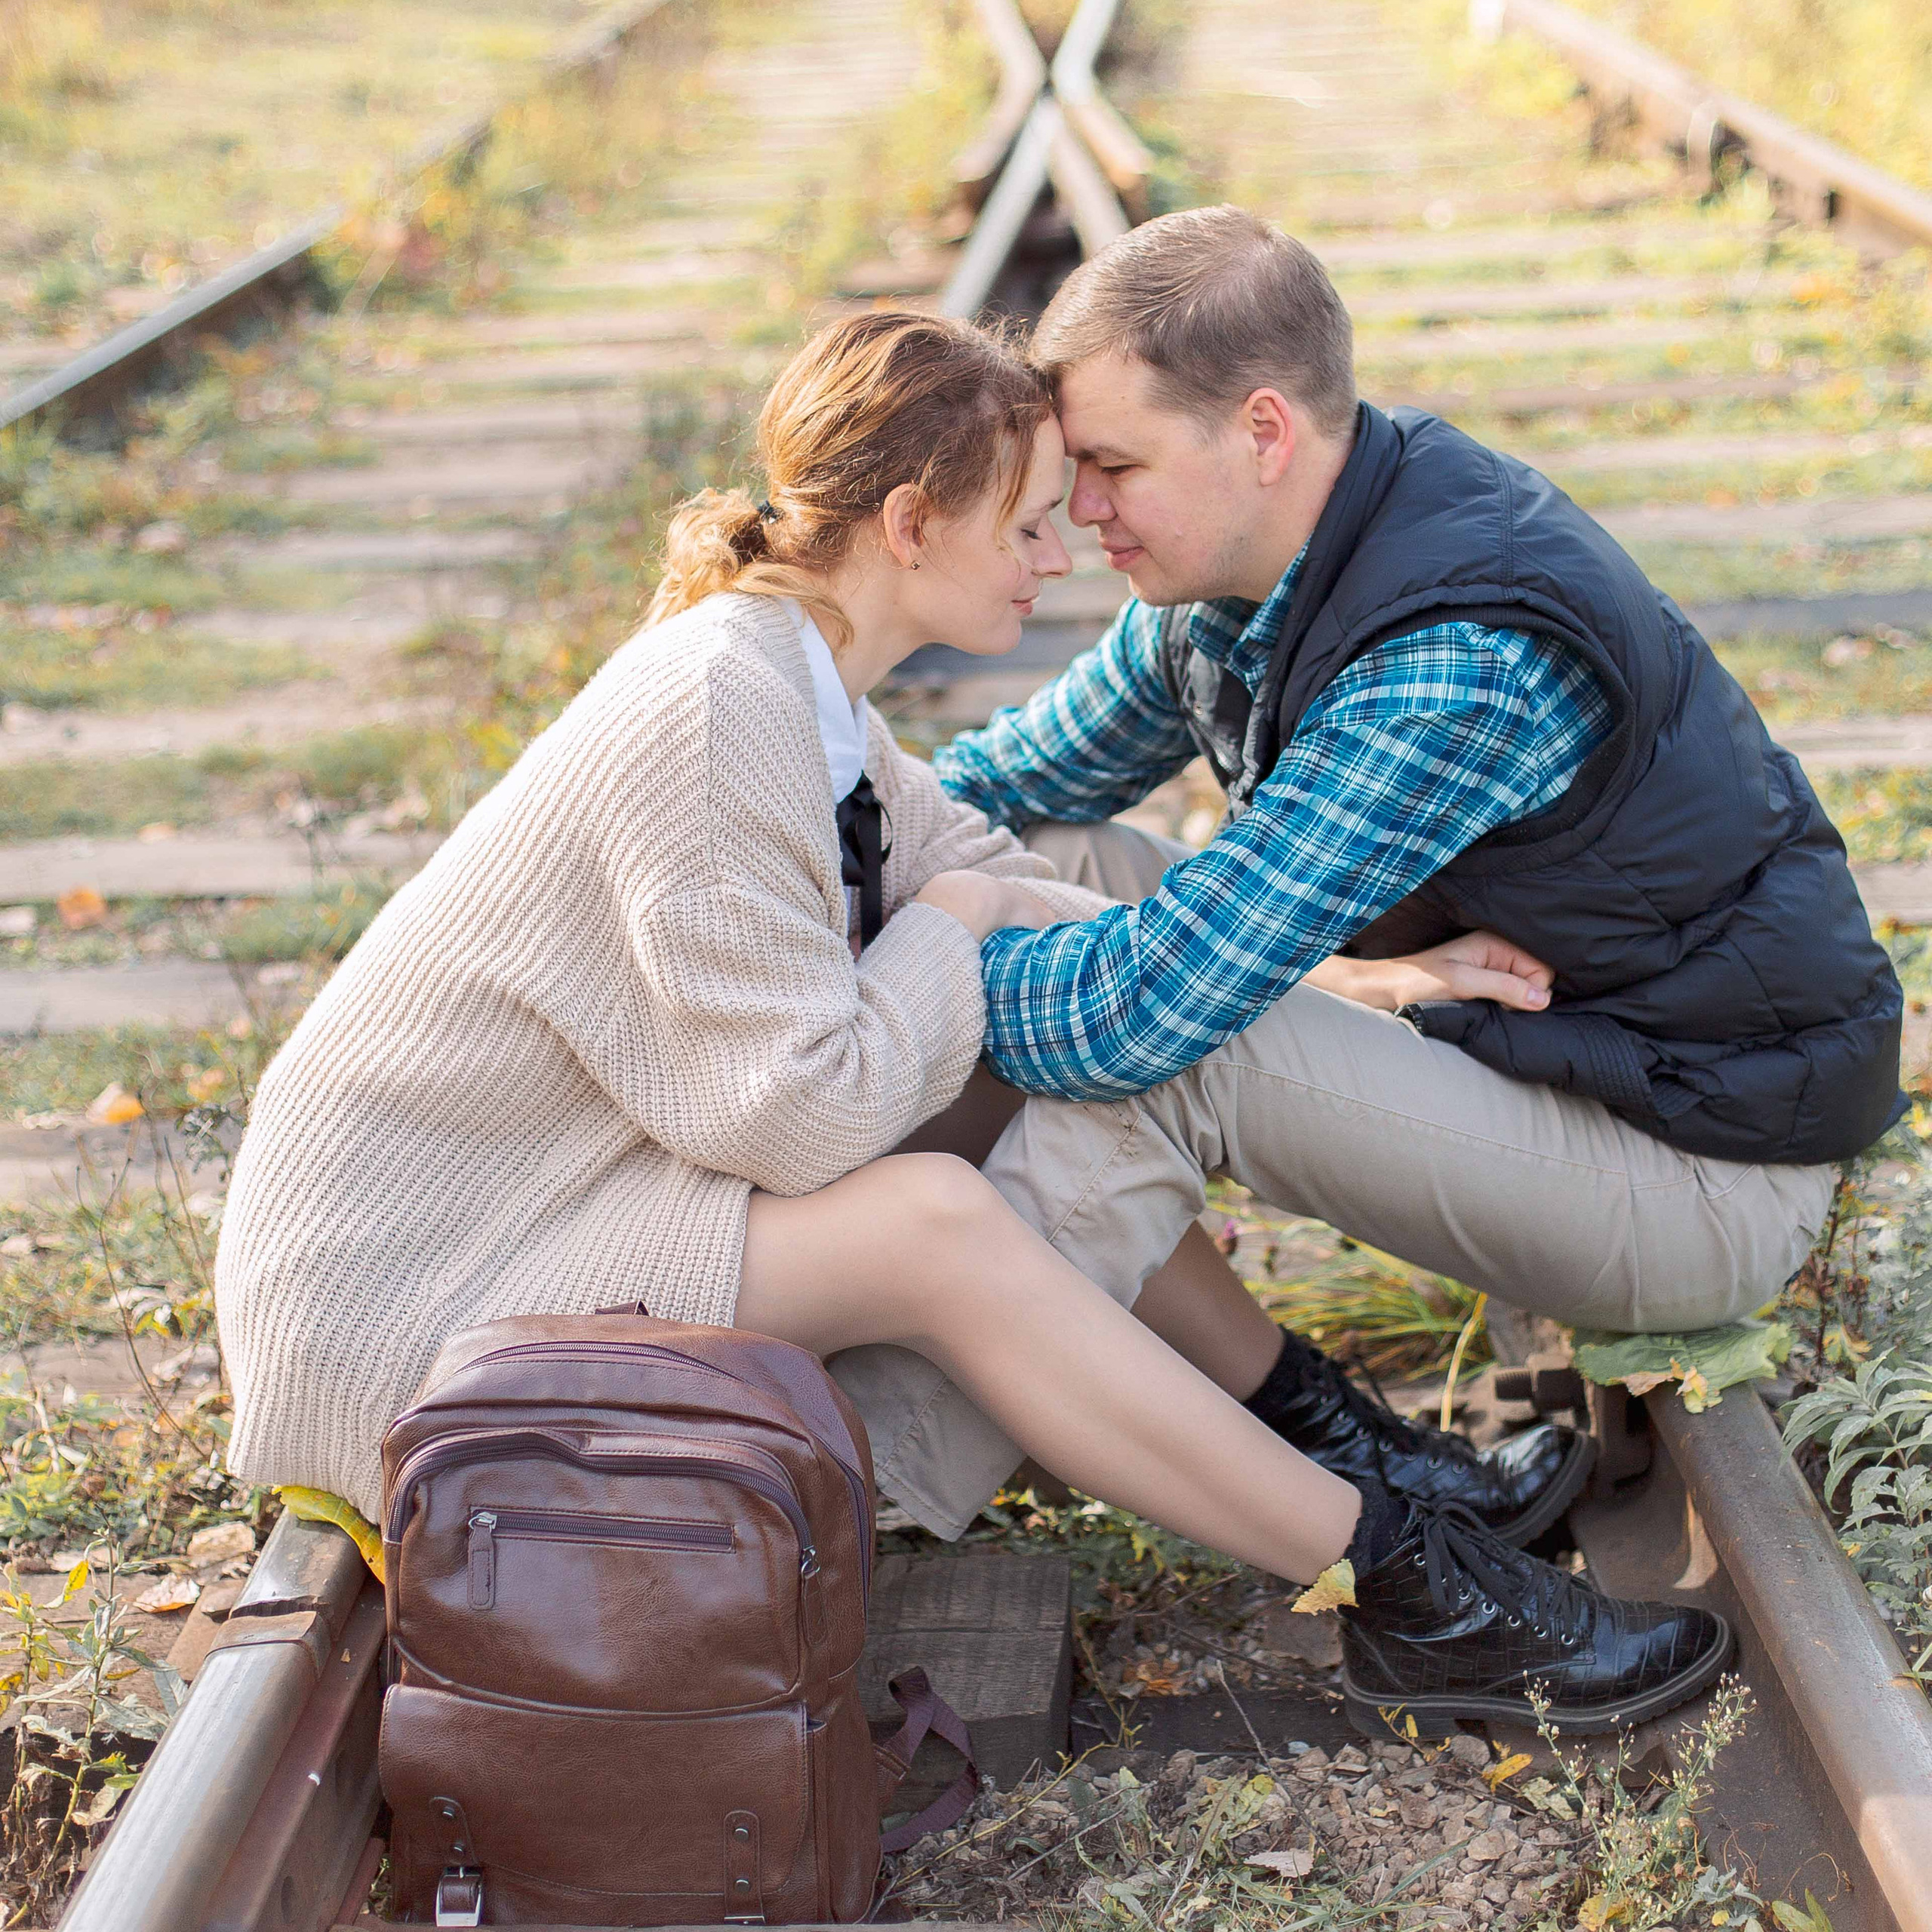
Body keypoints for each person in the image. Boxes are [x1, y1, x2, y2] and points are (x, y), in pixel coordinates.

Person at [217, 310, 1729, 1737]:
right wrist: (949, 931)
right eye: (1020, 523)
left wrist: (1331, 983)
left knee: (1073, 1073)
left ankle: (1323, 1434)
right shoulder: (713, 708)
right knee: (926, 1221)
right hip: (412, 1306)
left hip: (553, 1214)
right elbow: (809, 1108)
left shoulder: (803, 687)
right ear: (908, 524)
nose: (1052, 555)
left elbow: (1005, 886)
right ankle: (1406, 1583)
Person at [878, 205, 1901, 1556]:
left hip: (1701, 1170)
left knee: (1163, 1056)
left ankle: (834, 1497)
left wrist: (878, 1009)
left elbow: (1145, 1015)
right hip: (1559, 1066)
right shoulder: (1252, 564)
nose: (1082, 514)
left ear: (1262, 431)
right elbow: (1002, 791)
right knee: (1040, 868)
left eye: (1114, 467)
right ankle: (1274, 1413)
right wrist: (812, 867)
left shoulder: (1457, 652)